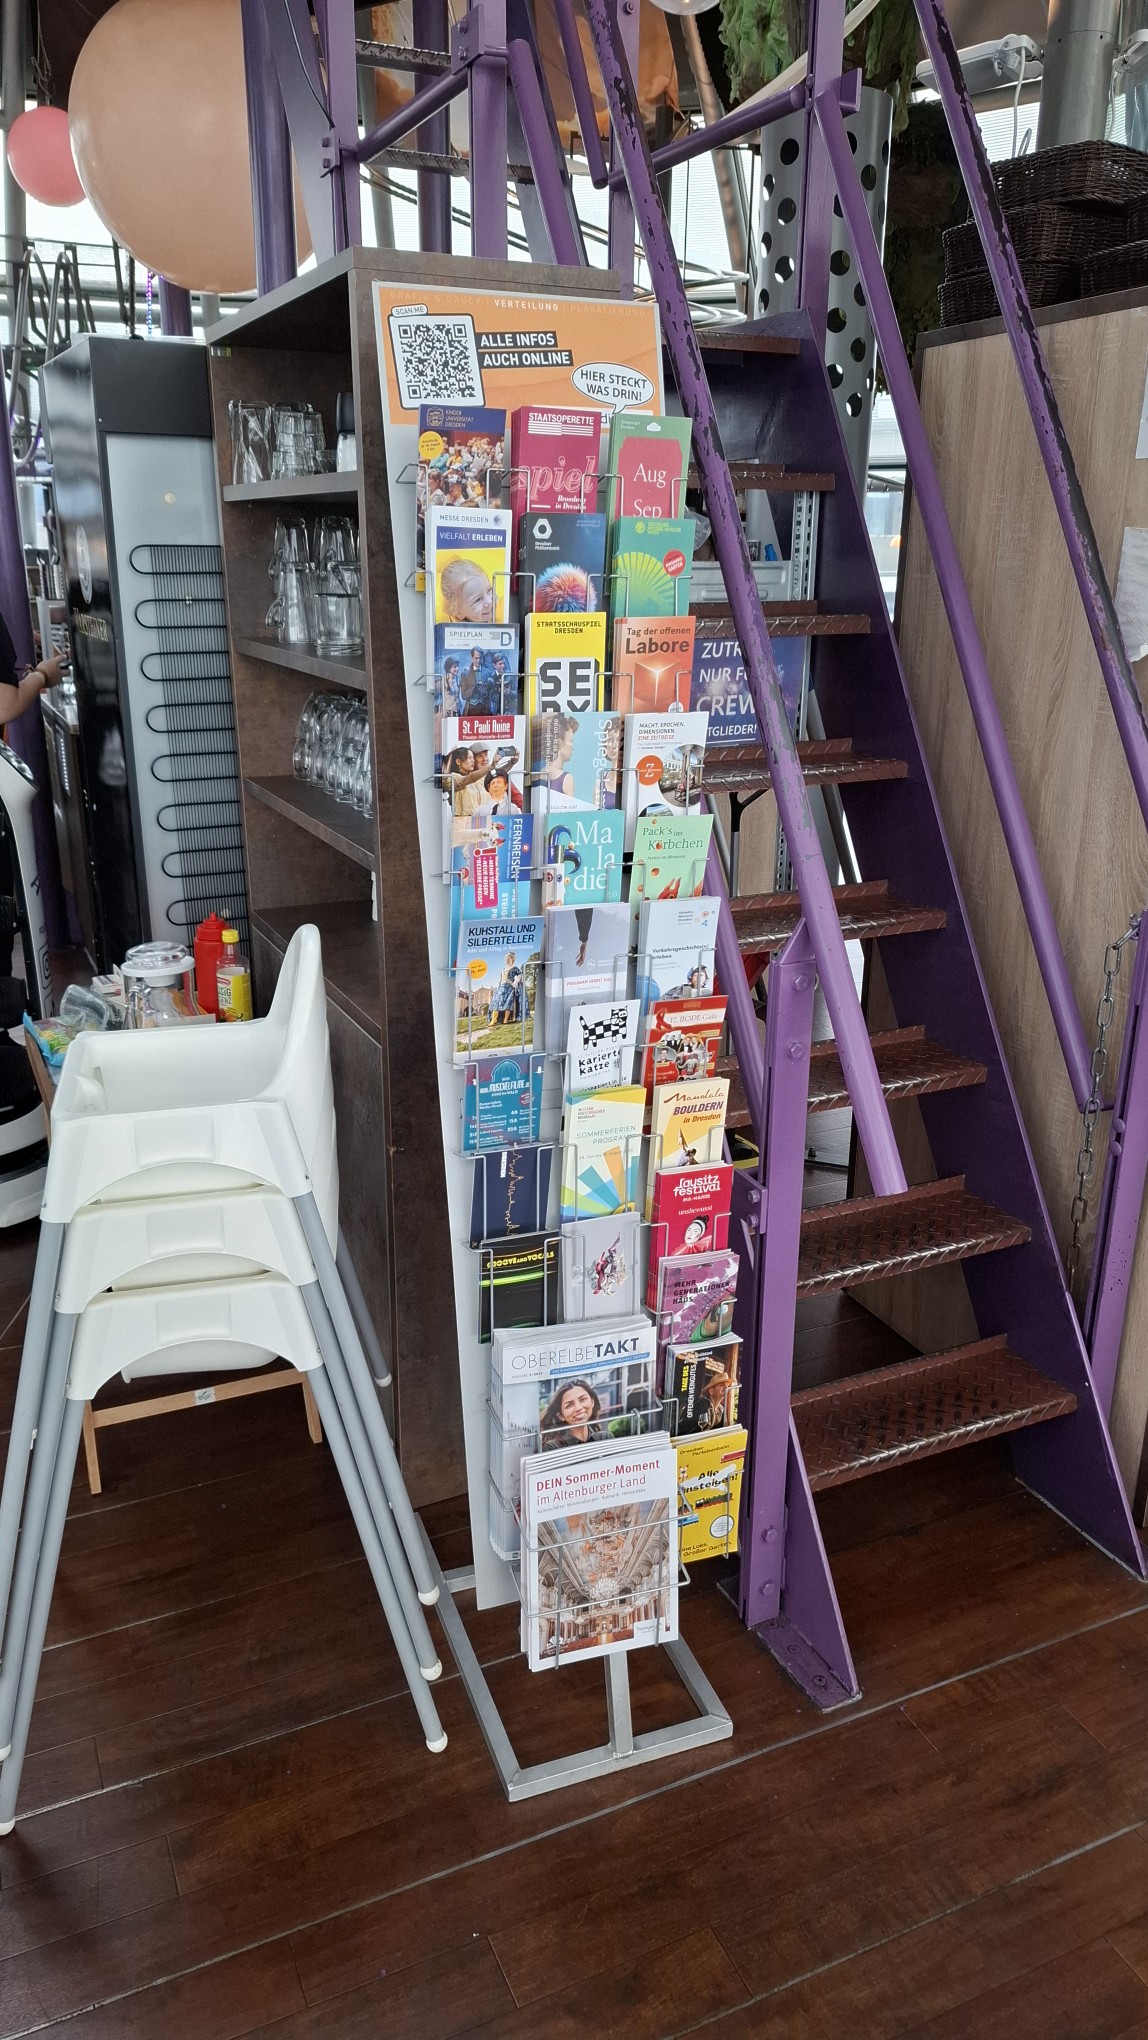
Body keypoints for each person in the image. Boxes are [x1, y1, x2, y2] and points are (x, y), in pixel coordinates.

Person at [540, 1377, 604, 1450]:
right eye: (569, 1405)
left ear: (592, 1402)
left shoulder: (604, 1437)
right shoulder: (552, 1447)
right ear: (561, 1416)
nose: (578, 1408)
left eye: (583, 1399)